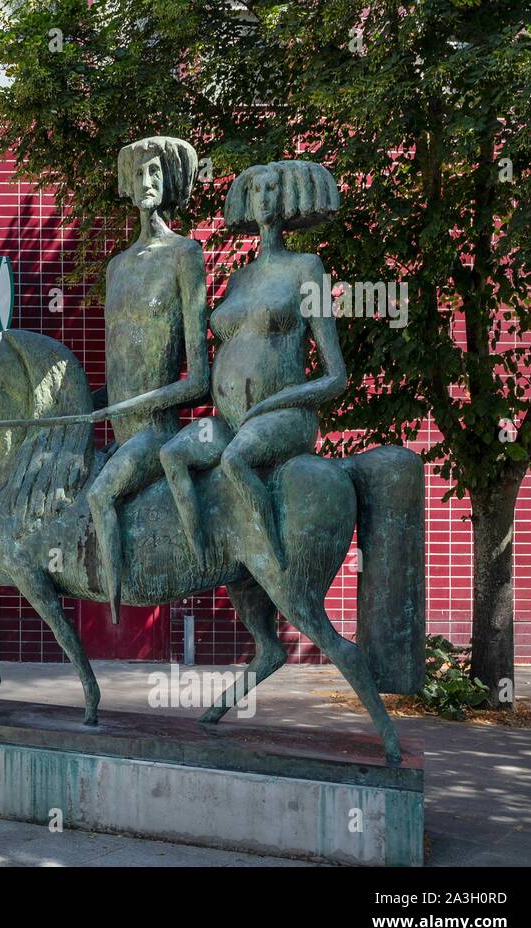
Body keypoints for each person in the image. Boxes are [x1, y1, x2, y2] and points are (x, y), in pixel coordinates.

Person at [160, 160, 345, 574]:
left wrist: (271, 403)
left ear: (287, 200)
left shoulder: (306, 268)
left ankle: (273, 560)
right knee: (172, 455)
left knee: (234, 461)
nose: (263, 199)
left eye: (272, 191)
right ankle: (205, 559)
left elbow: (336, 376)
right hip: (228, 422)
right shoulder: (239, 279)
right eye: (257, 191)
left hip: (282, 417)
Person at [85, 136, 210, 622]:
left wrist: (135, 408)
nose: (146, 183)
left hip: (154, 432)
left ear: (170, 180)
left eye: (154, 172)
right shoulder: (117, 267)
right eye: (138, 174)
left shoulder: (185, 256)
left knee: (99, 495)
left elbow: (199, 377)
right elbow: (116, 375)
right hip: (117, 435)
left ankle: (119, 603)